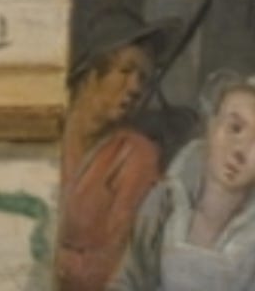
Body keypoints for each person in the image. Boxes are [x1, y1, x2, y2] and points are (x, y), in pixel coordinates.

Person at [57, 7, 182, 291]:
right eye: (125, 71)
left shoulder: (137, 155)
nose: (135, 87)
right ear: (91, 75)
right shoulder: (47, 134)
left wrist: (50, 256)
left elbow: (114, 265)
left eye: (143, 78)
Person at [109, 70, 255, 290]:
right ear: (211, 125)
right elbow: (127, 279)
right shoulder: (165, 202)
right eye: (235, 128)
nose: (240, 151)